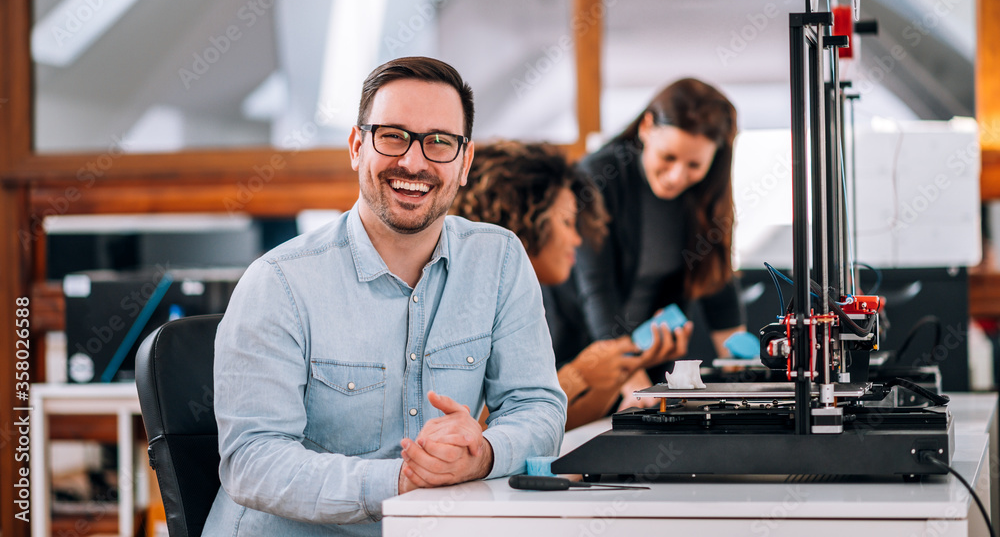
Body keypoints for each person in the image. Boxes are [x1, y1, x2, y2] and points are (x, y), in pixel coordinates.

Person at [204, 58, 567, 536]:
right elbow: (252, 460)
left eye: (439, 142)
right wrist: (400, 479)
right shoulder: (278, 283)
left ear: (465, 162)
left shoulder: (499, 260)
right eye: (393, 136)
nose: (414, 162)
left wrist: (485, 453)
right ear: (357, 146)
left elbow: (537, 406)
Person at [452, 141, 689, 430]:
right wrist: (579, 376)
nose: (577, 240)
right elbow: (476, 426)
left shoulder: (521, 305)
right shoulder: (465, 304)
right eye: (566, 222)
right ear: (523, 221)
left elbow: (552, 426)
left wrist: (610, 377)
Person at [574, 77, 746, 402]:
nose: (677, 176)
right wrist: (636, 389)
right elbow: (597, 292)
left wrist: (745, 377)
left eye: (694, 164)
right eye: (668, 157)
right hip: (586, 360)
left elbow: (715, 281)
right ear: (646, 127)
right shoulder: (597, 178)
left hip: (650, 364)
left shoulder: (704, 194)